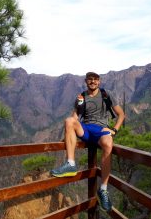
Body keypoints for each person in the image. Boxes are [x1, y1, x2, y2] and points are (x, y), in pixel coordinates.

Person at [51, 71, 125, 212]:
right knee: (68, 120)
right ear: (86, 81)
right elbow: (75, 118)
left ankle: (103, 190)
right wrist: (69, 132)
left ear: (99, 81)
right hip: (85, 128)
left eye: (95, 79)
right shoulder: (81, 97)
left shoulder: (106, 95)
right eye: (90, 79)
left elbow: (121, 114)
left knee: (108, 144)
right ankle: (70, 164)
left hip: (101, 130)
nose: (93, 82)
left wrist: (114, 130)